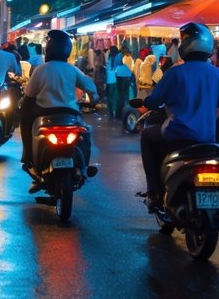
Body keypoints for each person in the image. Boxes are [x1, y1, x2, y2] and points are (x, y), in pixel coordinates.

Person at [139, 23, 219, 209]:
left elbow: (154, 101)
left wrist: (147, 103)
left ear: (188, 44)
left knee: (147, 135)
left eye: (184, 40)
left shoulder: (175, 73)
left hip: (177, 137)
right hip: (208, 141)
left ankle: (153, 191)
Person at [20, 30, 98, 186]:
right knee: (85, 134)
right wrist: (93, 101)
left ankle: (28, 155)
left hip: (44, 114)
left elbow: (28, 96)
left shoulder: (41, 69)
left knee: (25, 120)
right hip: (70, 115)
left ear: (48, 48)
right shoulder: (72, 69)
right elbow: (92, 89)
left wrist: (24, 104)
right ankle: (83, 168)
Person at [109, 49, 135, 119]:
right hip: (122, 78)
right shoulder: (121, 57)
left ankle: (118, 113)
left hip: (118, 77)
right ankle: (119, 113)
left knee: (120, 96)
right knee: (122, 97)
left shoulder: (118, 56)